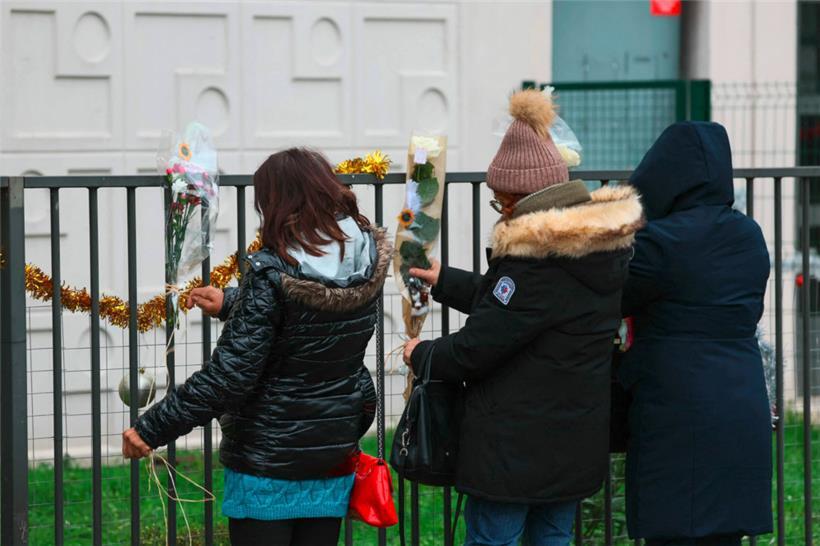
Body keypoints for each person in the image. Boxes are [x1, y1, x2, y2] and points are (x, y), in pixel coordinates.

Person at [403, 89, 643, 546]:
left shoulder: (536, 262)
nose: (500, 210)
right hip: (573, 442)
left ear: (520, 198)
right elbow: (519, 311)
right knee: (552, 538)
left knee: (495, 539)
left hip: (516, 451)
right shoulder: (596, 249)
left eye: (501, 202)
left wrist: (423, 354)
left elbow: (479, 346)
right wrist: (446, 279)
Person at [121, 148, 391, 546]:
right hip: (330, 451)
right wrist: (234, 302)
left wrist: (151, 427)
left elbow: (229, 378)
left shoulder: (272, 271)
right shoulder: (363, 258)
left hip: (268, 461)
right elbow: (313, 324)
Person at [618, 122, 773, 546]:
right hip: (742, 409)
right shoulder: (750, 235)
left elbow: (611, 298)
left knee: (675, 532)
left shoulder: (661, 242)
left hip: (679, 416)